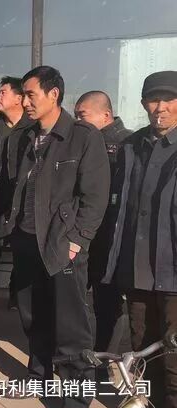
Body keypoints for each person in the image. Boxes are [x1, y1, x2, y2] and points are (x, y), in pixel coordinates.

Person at [0, 66, 109, 408]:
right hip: (26, 241)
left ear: (53, 94)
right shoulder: (24, 137)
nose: (26, 102)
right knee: (33, 317)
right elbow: (14, 186)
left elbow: (95, 197)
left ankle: (77, 401)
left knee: (72, 326)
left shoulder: (82, 137)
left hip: (62, 245)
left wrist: (77, 240)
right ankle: (39, 377)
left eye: (31, 95)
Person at [100, 71, 177, 408]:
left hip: (173, 274)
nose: (160, 107)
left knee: (174, 361)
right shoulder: (132, 146)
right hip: (138, 270)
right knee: (144, 357)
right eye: (153, 100)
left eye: (169, 99)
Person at [73, 91, 133, 355]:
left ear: (105, 114)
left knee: (107, 301)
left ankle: (104, 357)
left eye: (83, 115)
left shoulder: (128, 144)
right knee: (76, 299)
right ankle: (80, 351)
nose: (78, 121)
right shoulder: (83, 142)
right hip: (85, 233)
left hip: (111, 236)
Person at [0, 77, 35, 306]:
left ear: (18, 98)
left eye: (3, 92)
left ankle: (16, 295)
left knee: (21, 246)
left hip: (22, 196)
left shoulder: (31, 125)